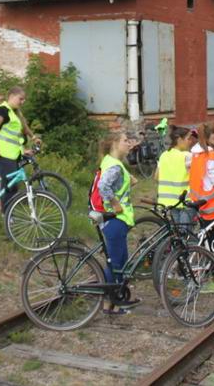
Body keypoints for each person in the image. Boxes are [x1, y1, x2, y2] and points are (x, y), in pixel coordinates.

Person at [96, 131, 139, 314]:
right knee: (115, 264)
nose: (128, 144)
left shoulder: (111, 162)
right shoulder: (114, 166)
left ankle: (117, 300)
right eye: (125, 141)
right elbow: (103, 186)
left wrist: (128, 181)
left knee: (119, 261)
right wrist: (115, 203)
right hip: (116, 219)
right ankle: (108, 303)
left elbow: (123, 182)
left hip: (116, 221)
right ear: (114, 143)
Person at [0, 87, 39, 204]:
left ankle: (5, 212)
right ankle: (6, 215)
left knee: (12, 186)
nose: (22, 102)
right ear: (11, 96)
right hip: (2, 155)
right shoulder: (3, 110)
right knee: (10, 186)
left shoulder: (14, 113)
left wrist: (31, 141)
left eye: (23, 100)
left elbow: (18, 133)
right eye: (20, 99)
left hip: (12, 155)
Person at [155, 126, 197, 232]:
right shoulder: (186, 156)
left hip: (170, 203)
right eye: (188, 138)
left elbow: (156, 177)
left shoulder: (164, 155)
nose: (190, 141)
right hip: (185, 202)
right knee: (185, 235)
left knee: (176, 233)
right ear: (179, 140)